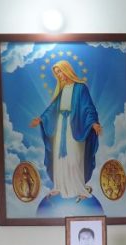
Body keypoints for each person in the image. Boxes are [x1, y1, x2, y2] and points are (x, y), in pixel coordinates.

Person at [30, 60, 102, 201]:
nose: (59, 75)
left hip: (75, 127)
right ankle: (60, 186)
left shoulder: (80, 88)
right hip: (60, 128)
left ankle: (79, 187)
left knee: (74, 158)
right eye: (57, 74)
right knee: (59, 158)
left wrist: (93, 123)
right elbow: (52, 108)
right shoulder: (62, 90)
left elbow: (88, 107)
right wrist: (41, 118)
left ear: (66, 70)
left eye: (60, 72)